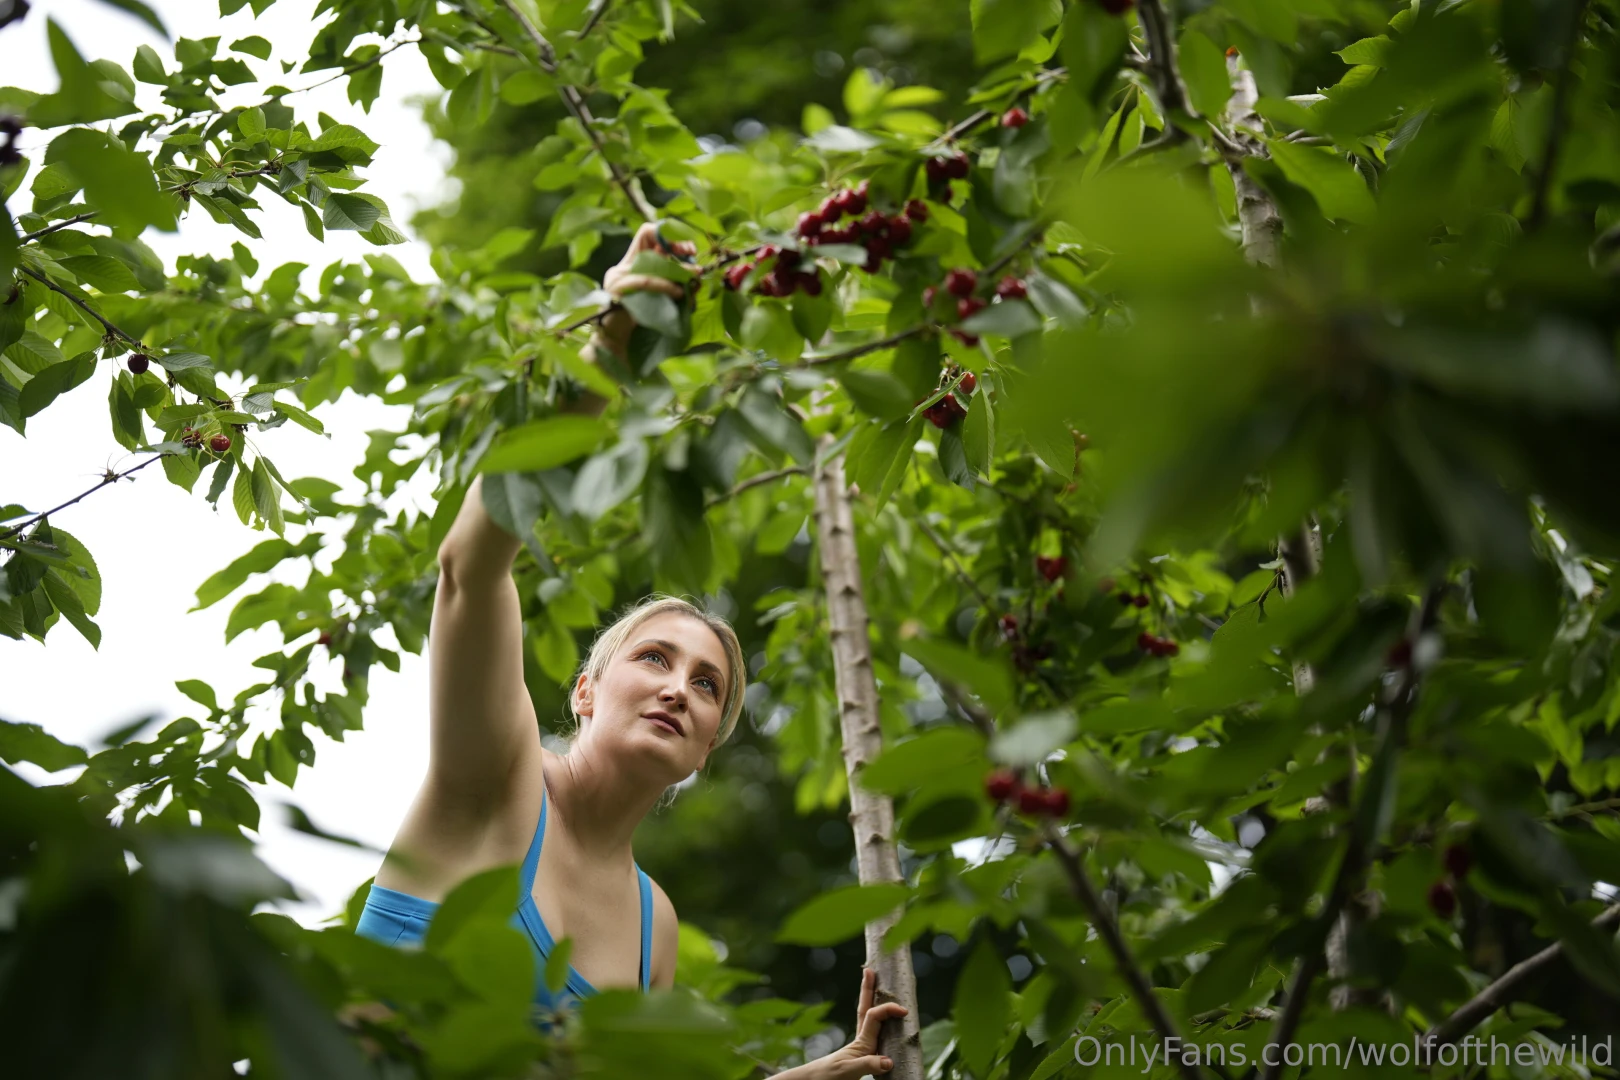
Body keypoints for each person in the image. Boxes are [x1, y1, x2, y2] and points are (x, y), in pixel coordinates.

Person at [353, 223, 907, 1078]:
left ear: (705, 748)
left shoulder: (656, 924)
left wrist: (812, 1077)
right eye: (654, 658)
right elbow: (468, 570)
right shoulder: (503, 779)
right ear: (583, 692)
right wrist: (612, 345)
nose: (681, 687)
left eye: (708, 684)